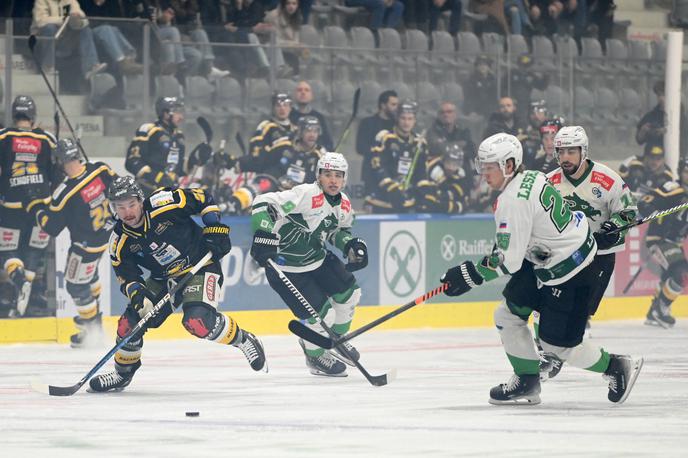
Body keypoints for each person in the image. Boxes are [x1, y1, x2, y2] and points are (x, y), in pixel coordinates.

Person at [439, 132, 643, 405]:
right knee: (508, 315)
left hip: (575, 272)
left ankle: (616, 366)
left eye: (490, 167)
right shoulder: (533, 176)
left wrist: (467, 275)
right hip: (548, 261)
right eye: (482, 166)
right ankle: (527, 380)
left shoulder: (512, 200)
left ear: (509, 166)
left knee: (557, 346)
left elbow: (508, 260)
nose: (483, 174)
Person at [89, 176, 267, 392]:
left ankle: (243, 339)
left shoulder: (165, 203)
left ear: (141, 200)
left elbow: (203, 198)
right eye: (120, 207)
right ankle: (122, 374)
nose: (127, 212)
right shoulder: (119, 241)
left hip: (200, 266)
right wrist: (138, 295)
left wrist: (214, 227)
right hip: (163, 279)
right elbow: (127, 275)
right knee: (129, 325)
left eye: (131, 204)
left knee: (198, 321)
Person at [250, 152, 368, 377]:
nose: (333, 180)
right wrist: (264, 233)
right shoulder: (305, 194)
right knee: (321, 317)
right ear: (318, 176)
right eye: (328, 175)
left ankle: (337, 339)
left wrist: (350, 246)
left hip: (318, 259)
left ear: (344, 179)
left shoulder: (344, 203)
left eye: (338, 175)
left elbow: (337, 232)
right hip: (286, 268)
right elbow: (262, 203)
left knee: (350, 294)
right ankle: (314, 355)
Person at [539, 126, 637, 379]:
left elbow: (628, 213)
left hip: (599, 259)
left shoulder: (607, 179)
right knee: (543, 304)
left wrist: (614, 228)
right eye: (561, 152)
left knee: (577, 315)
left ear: (584, 151)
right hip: (565, 257)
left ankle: (614, 367)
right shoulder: (549, 182)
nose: (566, 158)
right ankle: (548, 353)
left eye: (572, 151)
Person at [29, 138, 117, 347]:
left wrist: (36, 207)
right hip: (107, 235)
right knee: (90, 274)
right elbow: (118, 187)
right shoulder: (100, 169)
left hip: (84, 246)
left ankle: (92, 329)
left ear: (59, 162)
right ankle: (93, 315)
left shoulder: (64, 192)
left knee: (76, 285)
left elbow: (51, 227)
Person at [0, 95, 56, 317]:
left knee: (8, 251)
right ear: (33, 116)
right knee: (34, 251)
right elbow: (58, 174)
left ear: (14, 115)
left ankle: (19, 281)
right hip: (40, 207)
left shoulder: (4, 136)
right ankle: (24, 302)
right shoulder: (47, 139)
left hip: (11, 206)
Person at [637, 160, 688, 329]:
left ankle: (653, 313)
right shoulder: (672, 188)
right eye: (686, 171)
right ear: (680, 173)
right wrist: (652, 210)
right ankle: (661, 310)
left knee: (670, 276)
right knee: (682, 274)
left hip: (674, 242)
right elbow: (644, 202)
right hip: (659, 239)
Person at [125, 97, 209, 195]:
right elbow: (132, 161)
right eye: (177, 113)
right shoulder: (149, 130)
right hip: (147, 191)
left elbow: (179, 168)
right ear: (165, 113)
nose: (181, 117)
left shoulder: (179, 136)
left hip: (170, 193)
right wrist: (157, 177)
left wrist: (195, 158)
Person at [365, 100, 427, 214]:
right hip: (381, 200)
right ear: (397, 118)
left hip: (406, 202)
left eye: (410, 119)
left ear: (415, 120)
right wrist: (391, 188)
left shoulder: (420, 142)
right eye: (403, 118)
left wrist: (423, 191)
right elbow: (376, 166)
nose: (406, 122)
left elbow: (422, 171)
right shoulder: (384, 137)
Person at [32, 0, 108, 80]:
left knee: (85, 29)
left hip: (63, 40)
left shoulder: (70, 0)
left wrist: (76, 19)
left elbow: (82, 17)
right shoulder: (41, 1)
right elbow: (40, 21)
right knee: (49, 27)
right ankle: (47, 67)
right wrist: (64, 19)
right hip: (41, 42)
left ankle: (91, 67)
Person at [240, 91, 296, 178]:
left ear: (290, 107)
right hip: (269, 174)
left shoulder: (297, 130)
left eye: (285, 105)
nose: (282, 109)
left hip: (291, 177)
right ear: (273, 108)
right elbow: (256, 151)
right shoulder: (266, 126)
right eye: (278, 105)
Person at [355, 90, 398, 194]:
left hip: (393, 174)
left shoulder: (397, 125)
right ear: (383, 105)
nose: (396, 107)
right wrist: (379, 150)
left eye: (397, 104)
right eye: (393, 104)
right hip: (372, 174)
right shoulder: (368, 123)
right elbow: (360, 147)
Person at [414, 142, 470, 214]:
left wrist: (458, 204)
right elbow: (433, 202)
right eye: (449, 163)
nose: (451, 168)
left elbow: (465, 198)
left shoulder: (461, 173)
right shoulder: (434, 170)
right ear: (443, 160)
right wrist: (457, 205)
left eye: (456, 164)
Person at [426, 101, 476, 179]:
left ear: (455, 114)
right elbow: (435, 149)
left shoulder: (464, 131)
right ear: (438, 115)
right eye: (442, 112)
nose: (446, 115)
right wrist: (459, 146)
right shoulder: (432, 131)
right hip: (439, 171)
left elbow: (471, 151)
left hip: (462, 170)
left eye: (449, 112)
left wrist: (445, 146)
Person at [277, 116, 326, 190]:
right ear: (300, 132)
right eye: (308, 131)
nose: (312, 135)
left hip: (303, 197)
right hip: (277, 192)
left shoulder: (321, 154)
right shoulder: (285, 145)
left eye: (315, 131)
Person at [289, 81, 334, 151]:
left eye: (307, 90)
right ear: (294, 95)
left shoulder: (319, 118)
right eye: (299, 90)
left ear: (312, 95)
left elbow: (328, 143)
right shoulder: (287, 116)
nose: (303, 92)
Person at [464, 56, 497, 120]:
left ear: (489, 67)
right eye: (480, 64)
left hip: (490, 111)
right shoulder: (471, 79)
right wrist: (471, 111)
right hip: (476, 112)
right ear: (476, 67)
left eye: (485, 65)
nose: (483, 67)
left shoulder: (493, 79)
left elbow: (494, 97)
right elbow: (469, 97)